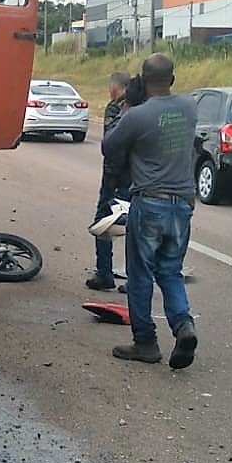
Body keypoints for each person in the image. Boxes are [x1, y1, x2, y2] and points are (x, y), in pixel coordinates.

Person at [101, 53, 199, 369]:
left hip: (150, 203)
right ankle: (183, 325)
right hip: (182, 204)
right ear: (172, 78)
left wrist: (125, 108)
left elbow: (108, 146)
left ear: (142, 80)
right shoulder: (189, 108)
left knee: (141, 274)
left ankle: (145, 342)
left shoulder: (136, 117)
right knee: (170, 270)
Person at [86, 71, 131, 291]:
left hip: (118, 181)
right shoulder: (142, 108)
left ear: (115, 87)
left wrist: (110, 186)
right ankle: (134, 278)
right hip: (140, 180)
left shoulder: (116, 109)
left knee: (103, 224)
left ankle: (104, 273)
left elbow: (112, 148)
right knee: (135, 229)